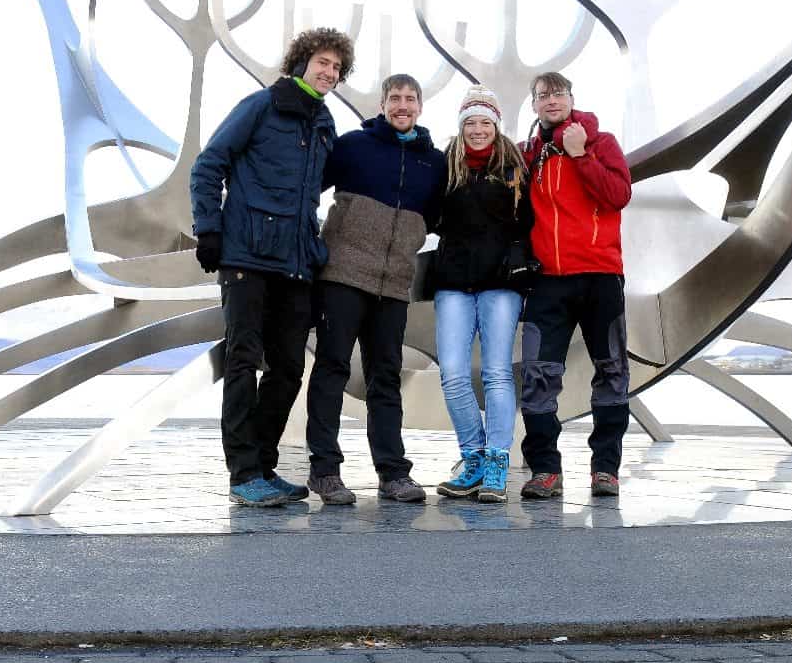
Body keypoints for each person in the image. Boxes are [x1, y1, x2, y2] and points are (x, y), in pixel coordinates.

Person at [189, 27, 355, 507]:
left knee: (288, 368)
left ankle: (263, 465)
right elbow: (208, 165)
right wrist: (209, 229)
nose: (329, 72)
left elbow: (313, 192)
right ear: (301, 62)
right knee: (243, 360)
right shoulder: (261, 106)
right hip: (247, 257)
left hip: (297, 264)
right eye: (323, 62)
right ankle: (243, 474)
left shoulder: (324, 124)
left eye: (337, 68)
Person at [304, 74, 447, 505]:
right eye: (395, 98)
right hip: (342, 276)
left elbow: (440, 219)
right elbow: (308, 190)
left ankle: (393, 473)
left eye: (410, 98)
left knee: (386, 378)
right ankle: (325, 471)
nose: (402, 105)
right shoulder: (353, 146)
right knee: (332, 369)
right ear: (382, 104)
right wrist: (313, 246)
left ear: (420, 106)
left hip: (394, 286)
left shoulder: (434, 163)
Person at [516, 71, 633, 499]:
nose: (552, 100)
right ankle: (545, 469)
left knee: (612, 370)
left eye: (559, 93)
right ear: (534, 105)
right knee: (538, 376)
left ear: (571, 98)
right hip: (547, 281)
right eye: (543, 95)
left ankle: (605, 469)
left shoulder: (602, 143)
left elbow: (618, 195)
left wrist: (581, 155)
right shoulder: (529, 154)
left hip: (600, 275)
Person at [430, 85, 535, 503]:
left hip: (501, 284)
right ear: (461, 126)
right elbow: (429, 215)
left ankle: (496, 462)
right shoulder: (446, 166)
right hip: (454, 282)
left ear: (496, 125)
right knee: (453, 372)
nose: (477, 130)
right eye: (470, 122)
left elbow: (529, 221)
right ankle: (472, 456)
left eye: (485, 122)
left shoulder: (515, 167)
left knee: (496, 372)